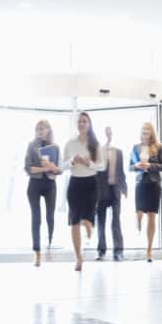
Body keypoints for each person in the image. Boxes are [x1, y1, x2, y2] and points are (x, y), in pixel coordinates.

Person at [63, 112, 104, 271]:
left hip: (90, 183)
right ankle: (78, 258)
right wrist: (72, 161)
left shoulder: (95, 143)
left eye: (84, 121)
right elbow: (62, 165)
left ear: (89, 124)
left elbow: (101, 165)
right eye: (79, 121)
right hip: (74, 184)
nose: (82, 123)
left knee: (87, 220)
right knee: (74, 222)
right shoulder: (70, 143)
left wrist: (88, 163)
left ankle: (88, 230)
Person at [24, 120, 61, 267]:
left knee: (50, 217)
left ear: (48, 130)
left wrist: (53, 167)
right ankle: (37, 252)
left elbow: (59, 170)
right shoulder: (31, 146)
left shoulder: (55, 147)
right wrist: (44, 169)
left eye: (42, 128)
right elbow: (28, 169)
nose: (40, 131)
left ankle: (50, 241)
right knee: (36, 218)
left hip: (50, 184)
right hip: (34, 184)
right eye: (37, 128)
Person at [130, 122, 162, 262]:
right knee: (139, 213)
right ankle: (138, 222)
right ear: (141, 132)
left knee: (152, 216)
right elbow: (130, 166)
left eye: (148, 129)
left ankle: (149, 250)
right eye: (143, 129)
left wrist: (150, 165)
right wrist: (137, 165)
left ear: (151, 132)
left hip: (154, 185)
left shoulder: (158, 147)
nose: (145, 131)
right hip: (140, 184)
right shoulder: (136, 147)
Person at [96, 127, 127, 262]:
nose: (108, 134)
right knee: (101, 223)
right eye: (106, 132)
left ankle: (118, 252)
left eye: (109, 132)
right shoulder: (98, 152)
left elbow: (121, 173)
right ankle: (101, 251)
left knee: (116, 222)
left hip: (115, 191)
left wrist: (124, 189)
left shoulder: (119, 152)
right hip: (101, 192)